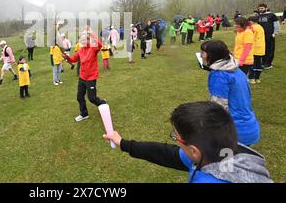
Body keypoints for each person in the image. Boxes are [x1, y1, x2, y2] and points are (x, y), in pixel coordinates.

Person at [104, 101, 272, 183]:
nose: (175, 141)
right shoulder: (223, 152)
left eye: (176, 137)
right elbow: (166, 154)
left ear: (194, 151)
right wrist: (123, 143)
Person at [200, 40, 260, 146]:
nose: (201, 56)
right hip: (250, 127)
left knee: (225, 161)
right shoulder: (235, 69)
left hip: (234, 132)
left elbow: (219, 107)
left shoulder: (219, 75)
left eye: (203, 53)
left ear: (212, 55)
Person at [63, 27, 107, 122]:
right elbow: (74, 59)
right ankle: (84, 114)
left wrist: (91, 33)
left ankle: (103, 103)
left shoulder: (93, 48)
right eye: (80, 40)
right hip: (82, 77)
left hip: (91, 77)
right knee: (79, 97)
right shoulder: (80, 50)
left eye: (83, 40)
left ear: (88, 39)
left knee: (92, 98)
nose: (82, 42)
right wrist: (67, 57)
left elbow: (100, 44)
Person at [257, 3, 280, 69]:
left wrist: (275, 33)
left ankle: (268, 63)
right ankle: (263, 62)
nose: (261, 10)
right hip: (261, 36)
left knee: (270, 49)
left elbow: (276, 24)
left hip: (270, 35)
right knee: (263, 49)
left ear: (266, 8)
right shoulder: (259, 16)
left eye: (262, 8)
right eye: (259, 8)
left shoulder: (271, 15)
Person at [248, 16, 266, 84]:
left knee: (252, 64)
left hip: (254, 48)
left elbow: (250, 37)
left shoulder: (252, 28)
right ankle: (257, 78)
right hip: (261, 48)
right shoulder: (260, 27)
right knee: (258, 63)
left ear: (251, 21)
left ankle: (251, 78)